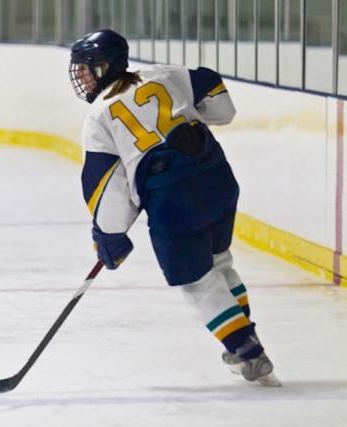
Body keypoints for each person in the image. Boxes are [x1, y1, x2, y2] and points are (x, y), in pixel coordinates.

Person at [69, 29, 279, 386]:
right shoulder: (160, 73)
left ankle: (247, 351)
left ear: (105, 66)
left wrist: (109, 234)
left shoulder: (99, 115)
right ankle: (245, 335)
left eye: (87, 69)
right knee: (218, 261)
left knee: (198, 280)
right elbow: (219, 102)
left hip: (174, 198)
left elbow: (107, 187)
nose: (82, 77)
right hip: (217, 178)